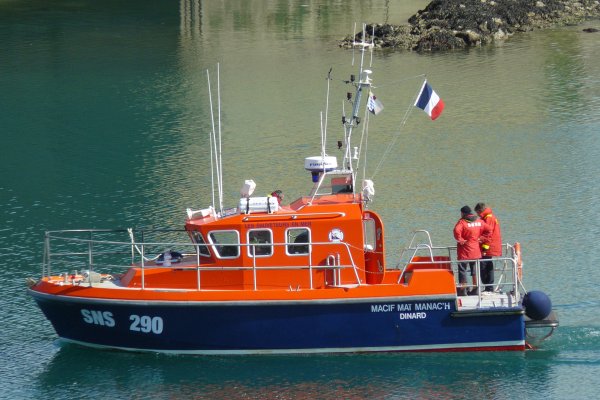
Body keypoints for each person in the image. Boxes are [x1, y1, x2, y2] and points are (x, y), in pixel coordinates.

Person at [453, 205, 488, 296]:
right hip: (476, 250)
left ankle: (462, 290)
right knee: (475, 270)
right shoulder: (479, 221)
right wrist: (482, 238)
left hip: (464, 251)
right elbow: (489, 230)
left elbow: (456, 231)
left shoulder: (462, 222)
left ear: (463, 213)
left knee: (462, 270)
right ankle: (476, 289)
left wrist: (460, 240)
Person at [475, 202, 502, 292]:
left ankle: (488, 287)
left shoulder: (488, 218)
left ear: (480, 211)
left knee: (484, 265)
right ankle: (489, 287)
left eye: (477, 213)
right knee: (488, 264)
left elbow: (488, 233)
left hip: (488, 246)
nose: (478, 215)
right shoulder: (490, 216)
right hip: (491, 245)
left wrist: (483, 245)